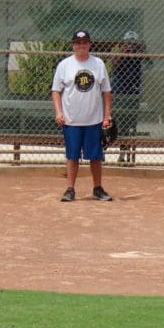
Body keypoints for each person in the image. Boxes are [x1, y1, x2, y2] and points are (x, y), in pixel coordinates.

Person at [51, 29, 113, 202]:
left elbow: (107, 91)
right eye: (78, 43)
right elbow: (56, 91)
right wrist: (59, 112)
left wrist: (107, 115)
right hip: (71, 120)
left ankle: (97, 188)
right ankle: (70, 189)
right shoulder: (65, 65)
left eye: (85, 42)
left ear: (89, 44)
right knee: (72, 155)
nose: (81, 45)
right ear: (73, 45)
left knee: (95, 156)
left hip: (94, 119)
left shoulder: (98, 64)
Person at [112, 30, 149, 165]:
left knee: (128, 125)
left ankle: (124, 154)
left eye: (133, 43)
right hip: (119, 94)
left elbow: (149, 64)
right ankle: (102, 152)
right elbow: (113, 64)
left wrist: (142, 51)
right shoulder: (120, 53)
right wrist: (123, 51)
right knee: (113, 123)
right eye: (128, 42)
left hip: (132, 94)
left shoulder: (138, 55)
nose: (131, 45)